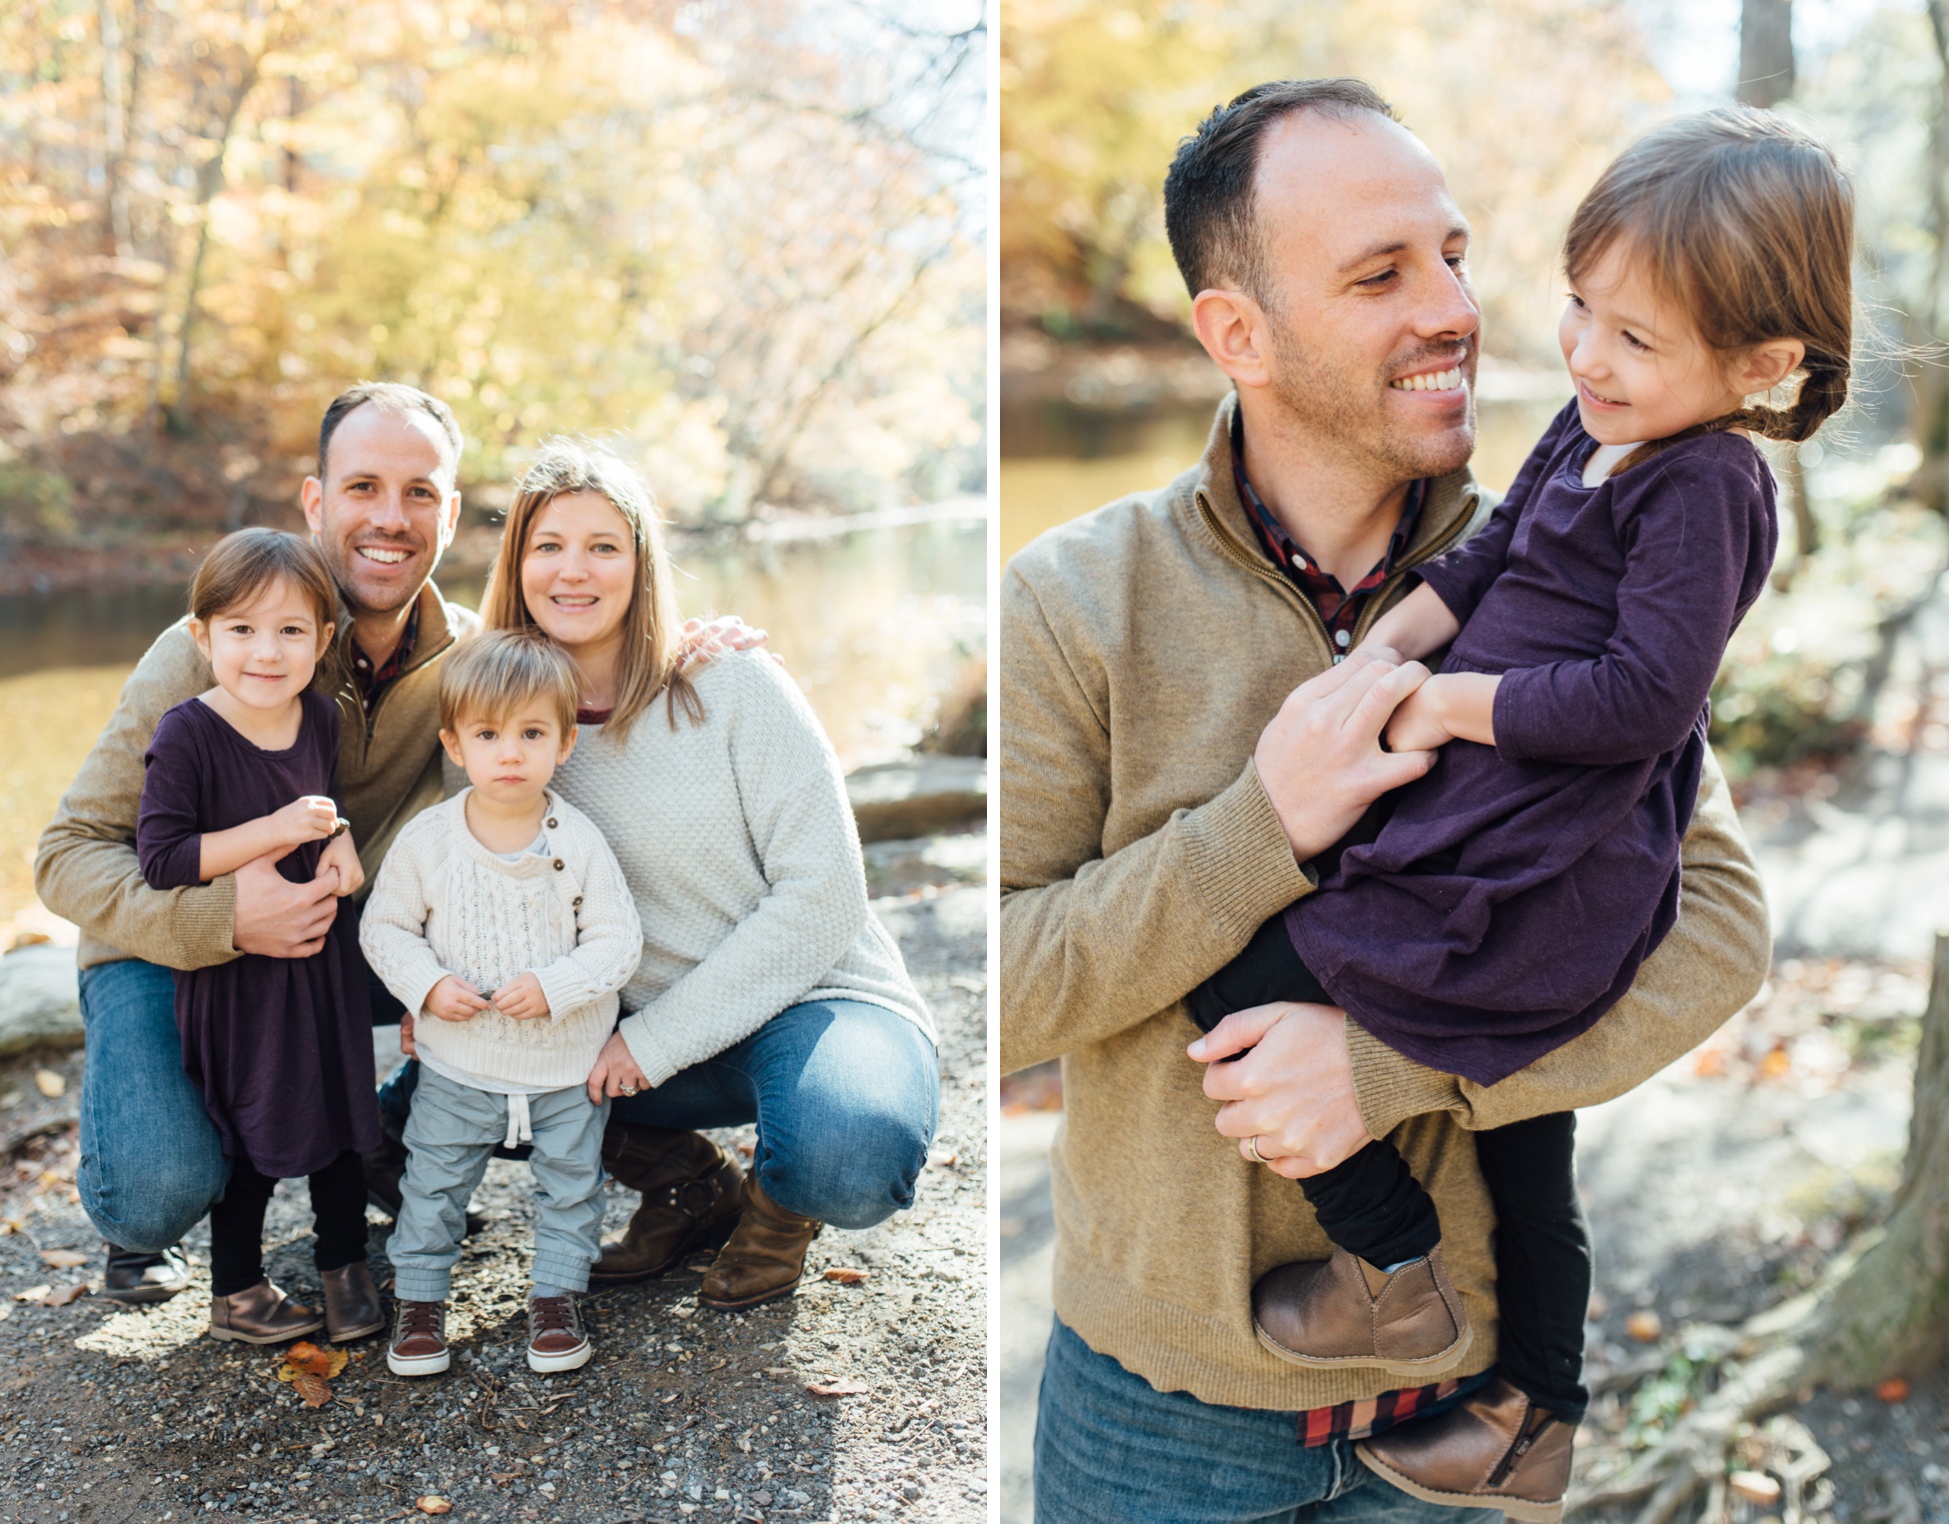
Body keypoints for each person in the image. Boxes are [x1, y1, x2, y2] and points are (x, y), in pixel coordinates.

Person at [1001, 79, 1773, 1524]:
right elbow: (996, 994)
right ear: (1238, 334)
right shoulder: (1071, 601)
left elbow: (1718, 930)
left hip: (1458, 1423)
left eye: (1457, 255)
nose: (1457, 309)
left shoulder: (1584, 556)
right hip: (1160, 1415)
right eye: (1381, 274)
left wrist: (1393, 1067)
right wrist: (1255, 837)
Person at [1185, 110, 1852, 1519]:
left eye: (1638, 341)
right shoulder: (1600, 422)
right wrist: (1385, 655)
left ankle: (1391, 1271)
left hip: (1551, 850)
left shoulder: (1710, 482)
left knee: (1273, 981)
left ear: (1764, 365)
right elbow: (1490, 559)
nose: (1589, 358)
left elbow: (1637, 701)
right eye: (1580, 310)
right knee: (1522, 1147)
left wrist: (1442, 712)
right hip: (1477, 811)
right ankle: (1538, 1416)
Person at [33, 382, 756, 1307]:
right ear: (316, 501)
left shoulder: (467, 660)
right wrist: (221, 918)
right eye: (364, 485)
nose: (391, 516)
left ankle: (412, 1137)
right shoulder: (213, 650)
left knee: (525, 949)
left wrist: (692, 648)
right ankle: (172, 1172)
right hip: (163, 945)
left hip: (336, 934)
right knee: (155, 1196)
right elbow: (66, 853)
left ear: (451, 515)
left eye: (420, 492)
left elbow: (579, 665)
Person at [464, 439, 942, 1310]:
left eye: (604, 546)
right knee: (452, 1087)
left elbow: (823, 898)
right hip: (637, 1027)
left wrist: (649, 1047)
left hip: (812, 1000)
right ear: (516, 563)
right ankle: (689, 1185)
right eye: (549, 545)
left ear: (642, 564)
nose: (574, 571)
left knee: (848, 1154)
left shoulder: (731, 684)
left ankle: (782, 1206)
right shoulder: (497, 719)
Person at [363, 629, 641, 1375]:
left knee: (572, 1189)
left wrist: (556, 987)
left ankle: (556, 1301)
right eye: (489, 735)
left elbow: (618, 944)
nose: (510, 753)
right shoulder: (430, 842)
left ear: (564, 744)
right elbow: (383, 927)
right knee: (433, 1182)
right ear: (456, 745)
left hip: (565, 1067)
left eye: (531, 734)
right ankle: (420, 1305)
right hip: (459, 1065)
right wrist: (426, 986)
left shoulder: (579, 843)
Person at [134, 529, 382, 1344]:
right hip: (238, 974)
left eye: (290, 631)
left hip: (319, 962)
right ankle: (236, 1290)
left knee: (343, 1112)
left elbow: (323, 807)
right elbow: (165, 859)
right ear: (202, 638)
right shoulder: (187, 734)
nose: (265, 652)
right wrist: (271, 828)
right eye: (241, 629)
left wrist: (337, 840)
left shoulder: (318, 717)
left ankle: (345, 1267)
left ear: (323, 640)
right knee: (253, 1122)